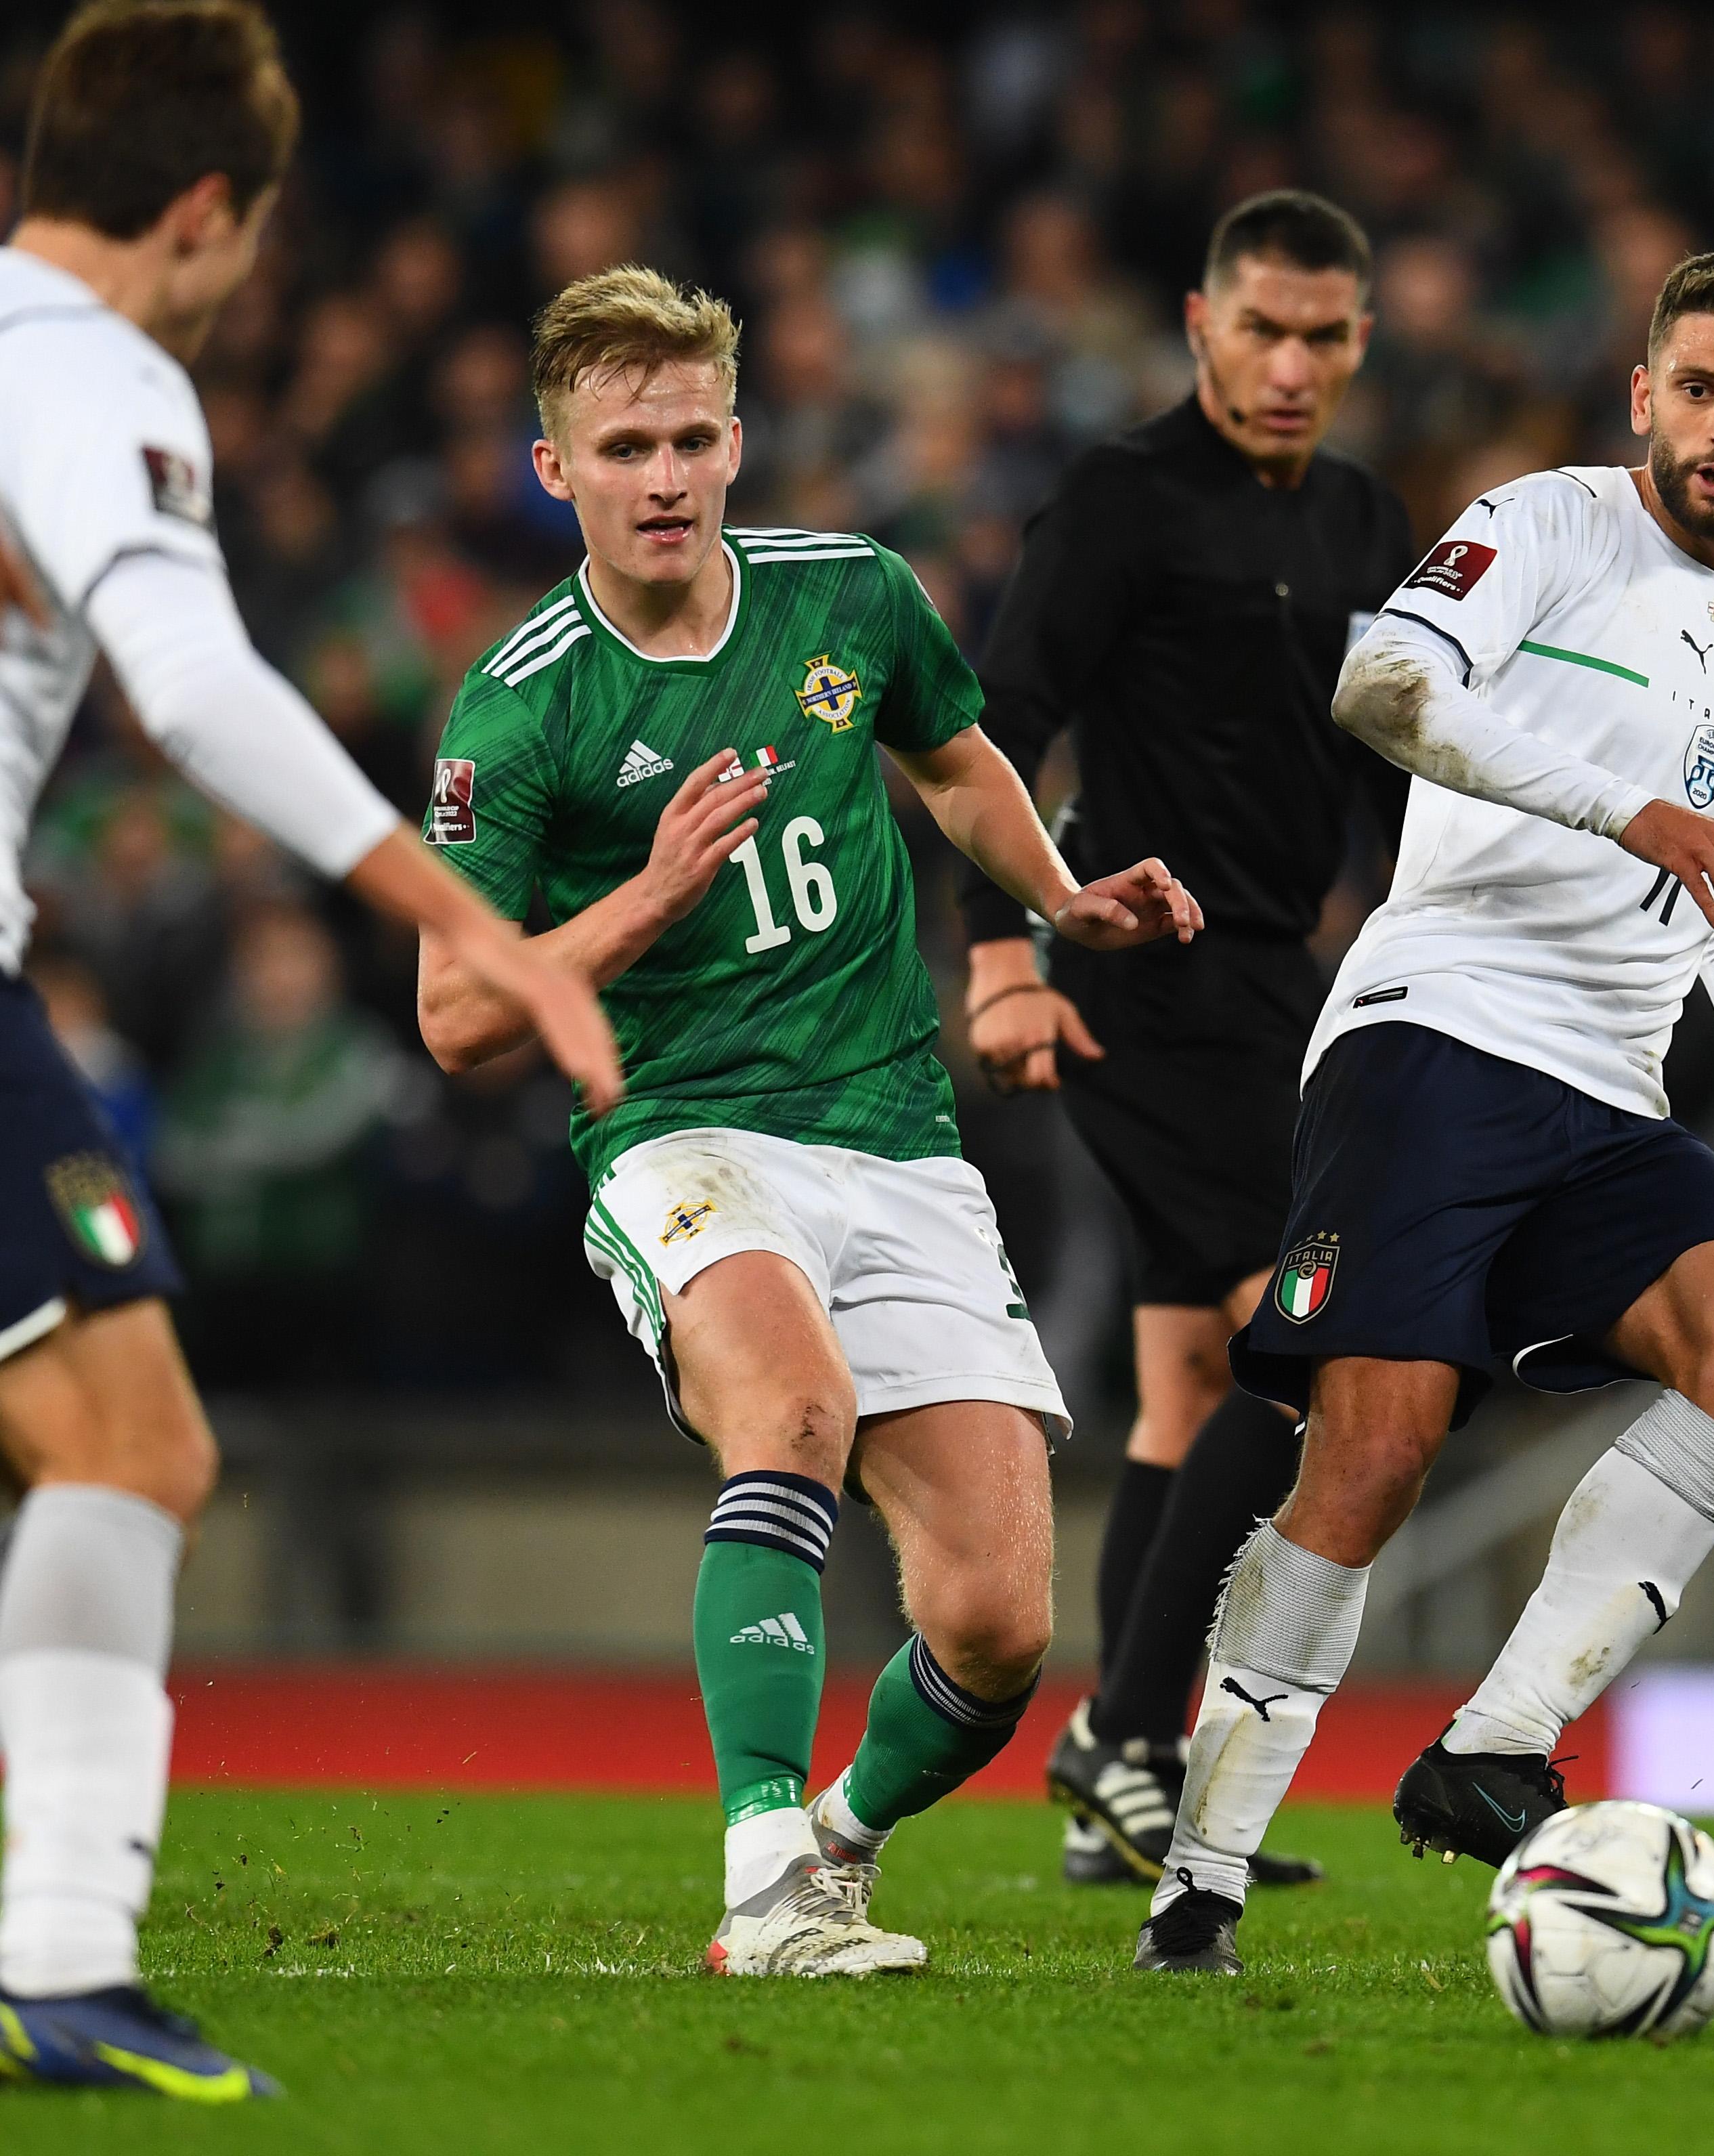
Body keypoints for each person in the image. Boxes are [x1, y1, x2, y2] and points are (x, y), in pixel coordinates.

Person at [1132, 248, 1714, 1974]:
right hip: (1433, 1032)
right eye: (1697, 386)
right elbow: (1381, 690)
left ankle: (1494, 1744)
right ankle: (1200, 1879)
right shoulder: (1542, 524)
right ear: (1641, 397)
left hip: (1609, 1086)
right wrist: (1629, 811)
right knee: (1372, 1452)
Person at [414, 265, 1199, 1979]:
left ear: (740, 436)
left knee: (995, 1623)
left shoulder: (851, 592)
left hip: (900, 1136)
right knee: (791, 1406)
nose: (670, 475)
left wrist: (1060, 900)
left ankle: (835, 1846)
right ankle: (760, 1868)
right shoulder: (523, 703)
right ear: (558, 469)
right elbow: (460, 1011)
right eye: (627, 446)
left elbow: (958, 754)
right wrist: (651, 892)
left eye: (696, 435)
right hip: (685, 1133)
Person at [0, 0, 619, 2098]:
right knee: (130, 1444)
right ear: (204, 208)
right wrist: (470, 921)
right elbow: (190, 678)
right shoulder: (91, 375)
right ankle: (65, 1962)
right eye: (251, 233)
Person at [958, 190, 1413, 1886]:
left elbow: (1403, 766)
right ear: (1200, 323)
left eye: (1324, 336)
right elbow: (990, 728)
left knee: (1190, 1383)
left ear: (1361, 340)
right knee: (1288, 1356)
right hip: (1141, 976)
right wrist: (1001, 956)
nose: (1290, 365)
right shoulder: (1125, 500)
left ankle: (1123, 1766)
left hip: (1286, 991)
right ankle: (1128, 1733)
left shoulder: (1373, 523)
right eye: (1262, 330)